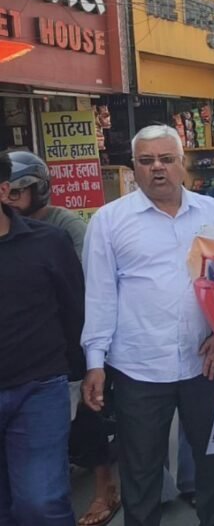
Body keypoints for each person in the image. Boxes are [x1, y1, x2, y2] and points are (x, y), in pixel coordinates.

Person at [80, 125, 214, 526]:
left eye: (166, 159)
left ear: (182, 163)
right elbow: (99, 295)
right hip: (139, 367)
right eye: (146, 161)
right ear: (134, 167)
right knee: (141, 468)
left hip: (204, 363)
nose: (157, 168)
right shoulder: (109, 221)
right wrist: (95, 362)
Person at [0, 152, 84, 526]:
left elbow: (74, 310)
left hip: (39, 388)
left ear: (4, 190)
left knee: (41, 503)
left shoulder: (50, 242)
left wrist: (84, 373)